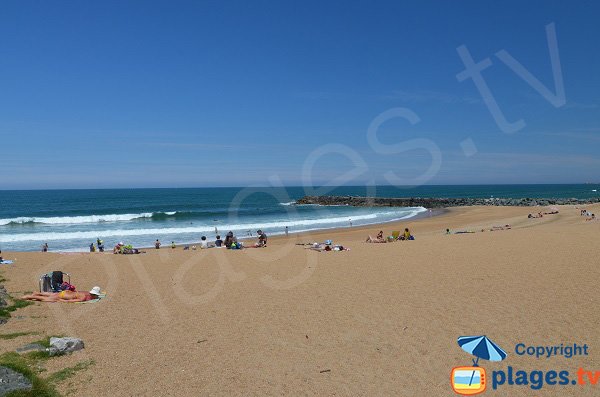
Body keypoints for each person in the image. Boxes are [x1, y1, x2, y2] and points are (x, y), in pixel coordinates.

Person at [22, 286, 102, 303]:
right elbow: (73, 300)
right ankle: (29, 296)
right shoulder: (84, 297)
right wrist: (62, 301)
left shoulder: (86, 292)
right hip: (63, 296)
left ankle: (38, 293)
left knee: (51, 294)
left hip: (66, 292)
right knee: (48, 299)